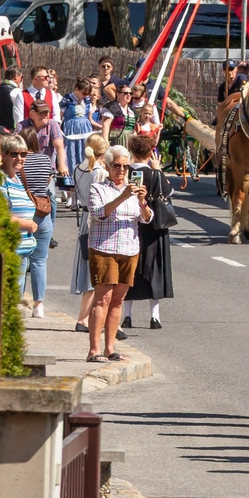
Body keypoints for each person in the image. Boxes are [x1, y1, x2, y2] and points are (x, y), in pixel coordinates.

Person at [87, 145, 153, 362]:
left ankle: (110, 348)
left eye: (125, 167)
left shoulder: (133, 190)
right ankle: (94, 350)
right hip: (104, 248)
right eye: (117, 166)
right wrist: (123, 197)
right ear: (107, 165)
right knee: (103, 299)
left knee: (117, 301)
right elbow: (98, 213)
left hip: (129, 249)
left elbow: (146, 218)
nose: (122, 170)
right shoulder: (98, 188)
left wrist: (142, 202)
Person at [120, 134, 174, 328]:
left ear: (132, 152)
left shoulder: (125, 172)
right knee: (155, 269)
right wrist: (158, 170)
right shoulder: (155, 174)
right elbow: (168, 192)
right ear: (151, 153)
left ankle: (127, 315)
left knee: (129, 269)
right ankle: (155, 316)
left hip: (129, 224)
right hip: (153, 227)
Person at [71, 134, 110, 332]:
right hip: (96, 221)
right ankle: (84, 319)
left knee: (89, 268)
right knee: (96, 271)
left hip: (85, 219)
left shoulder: (78, 169)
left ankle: (89, 318)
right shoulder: (100, 173)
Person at [18, 129, 56, 317]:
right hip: (43, 213)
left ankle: (18, 302)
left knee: (21, 260)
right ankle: (38, 305)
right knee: (40, 261)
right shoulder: (45, 160)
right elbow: (48, 181)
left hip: (23, 212)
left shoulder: (19, 162)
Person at [0, 135, 38, 308]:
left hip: (22, 250)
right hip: (7, 250)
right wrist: (27, 224)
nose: (20, 158)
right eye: (14, 154)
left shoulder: (17, 178)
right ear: (4, 154)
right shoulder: (1, 179)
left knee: (13, 302)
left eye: (23, 154)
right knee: (4, 303)